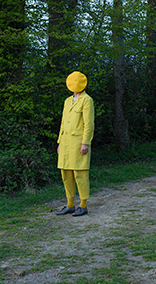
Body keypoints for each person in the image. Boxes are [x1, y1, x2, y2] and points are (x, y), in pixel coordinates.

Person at [56, 71, 94, 216]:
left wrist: (85, 143)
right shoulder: (67, 101)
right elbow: (63, 122)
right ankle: (70, 204)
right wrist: (60, 142)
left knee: (80, 174)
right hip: (66, 143)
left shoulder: (87, 100)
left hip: (78, 143)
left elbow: (89, 124)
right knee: (66, 174)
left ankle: (83, 205)